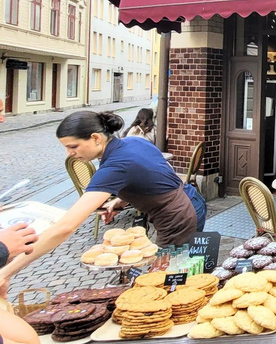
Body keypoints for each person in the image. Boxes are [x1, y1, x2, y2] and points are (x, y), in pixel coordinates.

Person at [0, 111, 207, 296]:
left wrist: (7, 271)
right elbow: (151, 174)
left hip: (178, 217)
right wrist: (119, 200)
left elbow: (64, 227)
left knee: (170, 281)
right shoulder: (134, 142)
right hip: (191, 200)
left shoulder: (114, 166)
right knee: (178, 268)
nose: (69, 153)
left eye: (73, 146)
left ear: (96, 138)